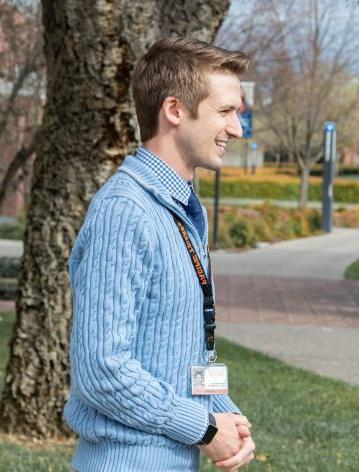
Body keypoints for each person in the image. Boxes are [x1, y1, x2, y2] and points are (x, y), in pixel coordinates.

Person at [63, 38, 255, 472]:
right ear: (174, 110)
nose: (238, 128)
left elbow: (183, 355)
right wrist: (205, 428)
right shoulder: (125, 212)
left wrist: (227, 417)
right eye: (225, 112)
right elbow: (102, 371)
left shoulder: (180, 208)